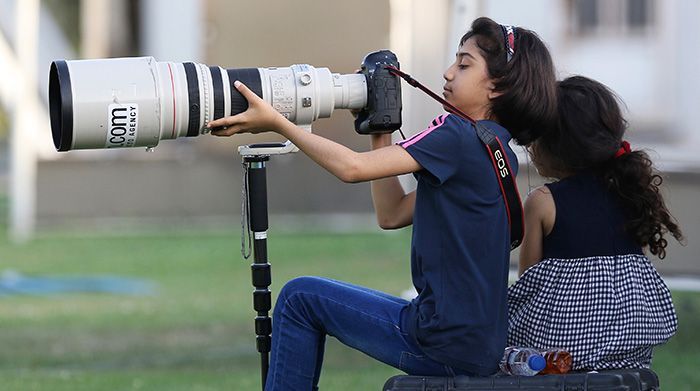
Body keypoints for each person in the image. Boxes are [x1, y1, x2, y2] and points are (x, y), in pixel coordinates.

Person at [209, 17, 557, 390]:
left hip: (438, 343)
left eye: (464, 64)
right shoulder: (493, 148)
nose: (447, 73)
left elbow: (352, 168)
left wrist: (276, 122)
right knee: (306, 297)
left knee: (299, 298)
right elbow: (391, 214)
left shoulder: (455, 134)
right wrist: (382, 127)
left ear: (498, 87)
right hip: (473, 347)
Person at [508, 76, 683, 371]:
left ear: (557, 142)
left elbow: (529, 286)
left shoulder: (542, 201)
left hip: (557, 357)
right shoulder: (630, 194)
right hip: (627, 357)